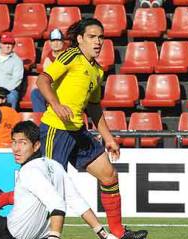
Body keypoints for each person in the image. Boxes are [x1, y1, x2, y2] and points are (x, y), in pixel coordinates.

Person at [36, 18, 148, 239]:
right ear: (79, 39)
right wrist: (56, 105)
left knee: (109, 175)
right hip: (55, 129)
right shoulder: (71, 55)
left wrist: (108, 138)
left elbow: (94, 107)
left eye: (101, 37)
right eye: (92, 37)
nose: (98, 42)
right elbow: (42, 80)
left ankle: (118, 233)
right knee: (47, 188)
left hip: (77, 132)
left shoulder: (97, 71)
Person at [0, 121, 117, 239]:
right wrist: (103, 234)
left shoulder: (29, 171)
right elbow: (77, 202)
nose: (16, 149)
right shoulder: (56, 166)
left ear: (37, 145)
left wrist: (54, 236)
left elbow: (58, 205)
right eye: (14, 142)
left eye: (22, 143)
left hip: (9, 234)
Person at [31, 28, 67, 113]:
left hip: (65, 88)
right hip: (53, 89)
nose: (56, 43)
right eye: (53, 41)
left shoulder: (68, 56)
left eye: (58, 41)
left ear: (62, 42)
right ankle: (40, 119)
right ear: (50, 43)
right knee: (36, 93)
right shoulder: (48, 59)